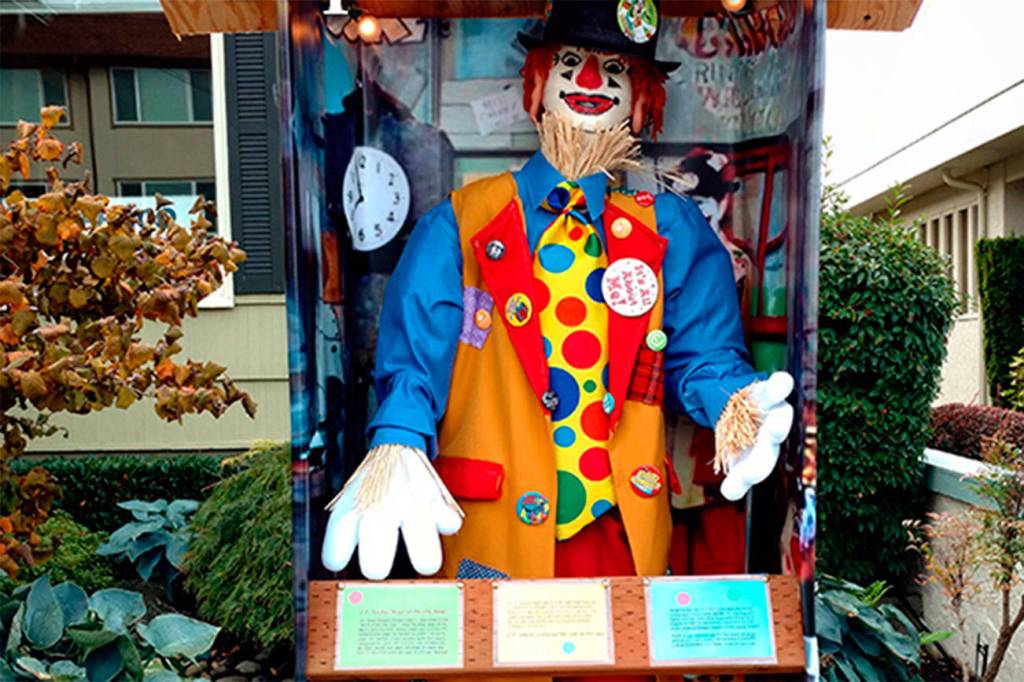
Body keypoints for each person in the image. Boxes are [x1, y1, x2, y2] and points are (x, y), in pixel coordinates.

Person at [322, 0, 792, 606]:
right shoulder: (461, 223)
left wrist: (735, 403)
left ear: (640, 100)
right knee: (495, 656)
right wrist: (398, 443)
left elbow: (701, 357)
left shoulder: (668, 229)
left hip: (620, 534)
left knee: (621, 653)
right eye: (571, 63)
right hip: (490, 534)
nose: (590, 80)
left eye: (614, 70)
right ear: (539, 83)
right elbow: (414, 361)